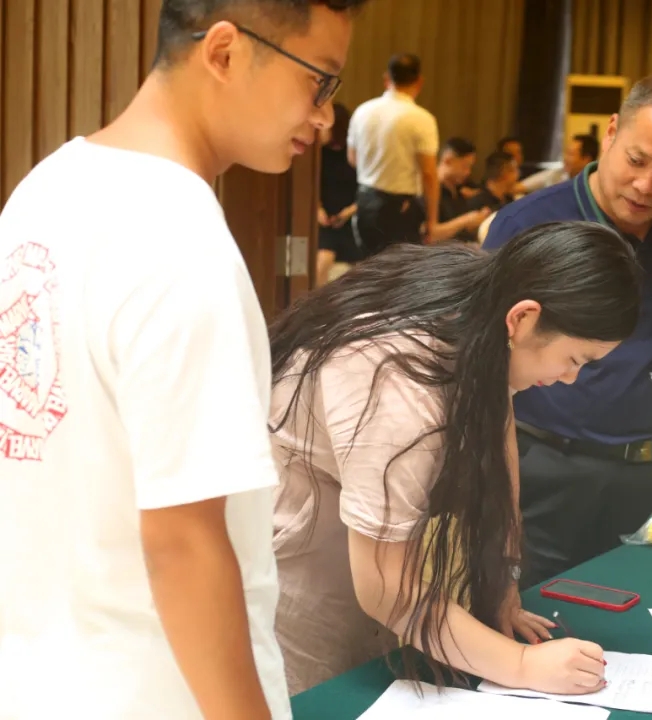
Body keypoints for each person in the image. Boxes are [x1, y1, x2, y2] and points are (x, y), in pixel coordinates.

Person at [0, 1, 360, 718]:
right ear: (224, 51)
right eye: (318, 81)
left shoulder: (43, 189)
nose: (324, 116)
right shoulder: (181, 242)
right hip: (156, 692)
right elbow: (183, 542)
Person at [268, 222, 642, 694]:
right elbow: (385, 585)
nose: (571, 379)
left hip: (353, 506)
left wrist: (504, 579)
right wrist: (522, 665)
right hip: (297, 527)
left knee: (381, 653)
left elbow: (499, 435)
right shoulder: (399, 392)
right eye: (575, 359)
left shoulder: (490, 309)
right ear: (524, 319)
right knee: (321, 688)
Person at [482, 74, 652, 588]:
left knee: (642, 606)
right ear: (611, 132)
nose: (646, 186)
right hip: (544, 468)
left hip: (649, 474)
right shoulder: (527, 224)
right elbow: (482, 352)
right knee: (532, 609)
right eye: (636, 160)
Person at [348, 53, 439, 257]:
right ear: (419, 81)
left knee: (369, 265)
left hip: (366, 202)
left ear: (386, 78)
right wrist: (432, 221)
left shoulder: (362, 111)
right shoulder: (422, 119)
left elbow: (352, 159)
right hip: (402, 208)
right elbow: (429, 174)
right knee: (400, 268)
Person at [316, 102, 360, 287]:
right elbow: (311, 190)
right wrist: (318, 210)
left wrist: (348, 212)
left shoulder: (353, 155)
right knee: (323, 261)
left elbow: (365, 190)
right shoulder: (318, 155)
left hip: (351, 217)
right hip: (326, 220)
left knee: (360, 266)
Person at [426, 137, 490, 243]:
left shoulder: (459, 190)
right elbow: (430, 236)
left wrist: (477, 220)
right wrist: (466, 220)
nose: (468, 172)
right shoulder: (429, 191)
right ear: (448, 160)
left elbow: (459, 231)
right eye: (465, 166)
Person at [517, 134, 600, 194]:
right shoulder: (556, 175)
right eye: (566, 153)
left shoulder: (597, 184)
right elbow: (519, 187)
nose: (565, 158)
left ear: (586, 159)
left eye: (571, 154)